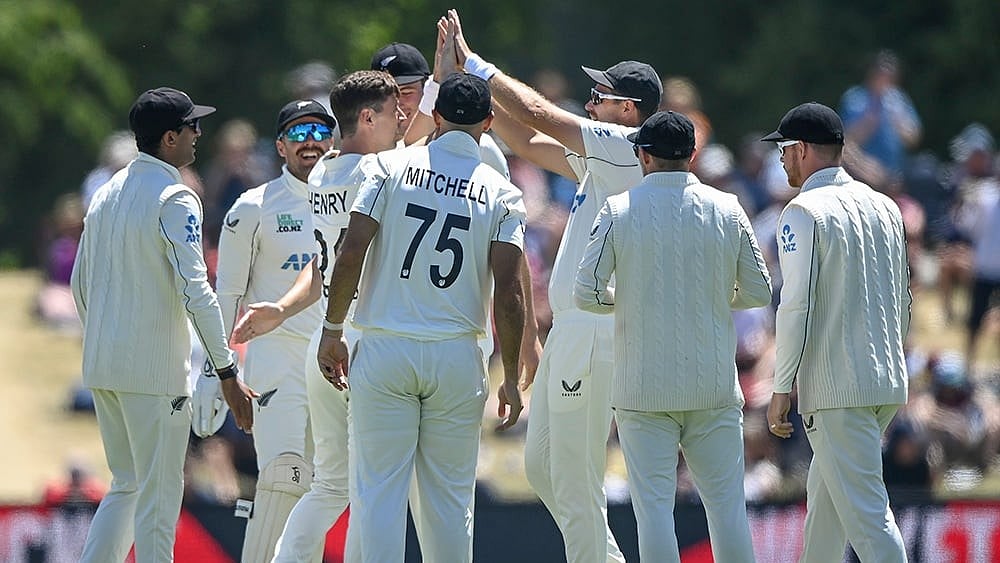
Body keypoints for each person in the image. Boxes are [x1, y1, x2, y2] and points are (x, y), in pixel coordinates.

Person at [444, 10, 661, 561]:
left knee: (573, 475)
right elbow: (523, 136)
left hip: (596, 332)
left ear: (629, 110)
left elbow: (539, 112)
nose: (590, 105)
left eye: (602, 96)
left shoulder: (626, 143)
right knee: (545, 471)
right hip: (573, 332)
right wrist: (460, 90)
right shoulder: (604, 161)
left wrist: (473, 62)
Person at [316, 72, 526, 563]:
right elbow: (511, 294)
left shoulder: (388, 168)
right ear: (488, 123)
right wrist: (512, 377)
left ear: (435, 117)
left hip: (386, 346)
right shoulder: (503, 192)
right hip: (456, 354)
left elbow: (351, 253)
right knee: (451, 502)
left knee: (378, 495)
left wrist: (331, 330)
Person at [69, 87, 256, 563]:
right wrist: (227, 370)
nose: (199, 134)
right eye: (192, 126)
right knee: (158, 495)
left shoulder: (106, 192)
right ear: (170, 138)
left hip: (104, 366)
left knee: (127, 486)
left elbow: (79, 286)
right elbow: (197, 289)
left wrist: (104, 340)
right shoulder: (176, 195)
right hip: (154, 375)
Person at [575, 110, 772, 562]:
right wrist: (709, 300)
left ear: (643, 155)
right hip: (712, 387)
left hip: (644, 390)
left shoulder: (619, 209)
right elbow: (759, 289)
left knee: (654, 514)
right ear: (693, 155)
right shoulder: (726, 207)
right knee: (727, 511)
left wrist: (634, 303)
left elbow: (586, 292)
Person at [762, 102, 910, 562]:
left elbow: (795, 304)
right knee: (824, 517)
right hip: (885, 379)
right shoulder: (885, 206)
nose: (782, 160)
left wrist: (782, 385)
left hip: (837, 388)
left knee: (869, 521)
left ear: (803, 149)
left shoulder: (802, 210)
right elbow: (904, 298)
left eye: (785, 150)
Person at [191, 99, 337, 562]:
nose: (309, 141)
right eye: (297, 133)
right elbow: (227, 295)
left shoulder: (355, 200)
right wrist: (216, 373)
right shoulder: (253, 207)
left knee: (326, 488)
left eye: (318, 131)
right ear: (279, 146)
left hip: (339, 363)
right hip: (278, 362)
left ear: (332, 139)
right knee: (284, 476)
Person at [840, 50, 921, 179]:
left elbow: (913, 139)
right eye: (881, 74)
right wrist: (870, 118)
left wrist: (899, 120)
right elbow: (847, 140)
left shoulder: (899, 99)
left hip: (896, 175)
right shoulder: (856, 98)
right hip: (863, 171)